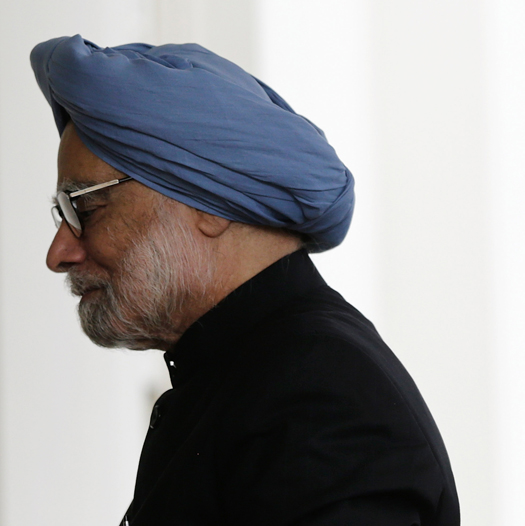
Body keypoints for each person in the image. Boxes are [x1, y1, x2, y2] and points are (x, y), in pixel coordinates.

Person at [31, 35, 459, 526]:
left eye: (85, 207)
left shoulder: (318, 396)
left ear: (206, 203)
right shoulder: (256, 375)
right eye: (62, 214)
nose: (59, 254)